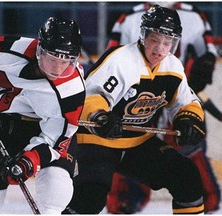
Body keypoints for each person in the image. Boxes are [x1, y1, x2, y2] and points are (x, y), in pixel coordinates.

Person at [63, 5, 206, 214]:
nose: (159, 49)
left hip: (136, 141)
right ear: (143, 35)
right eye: (154, 40)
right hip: (97, 139)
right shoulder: (121, 60)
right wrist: (101, 117)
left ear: (175, 44)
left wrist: (189, 120)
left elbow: (184, 102)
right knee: (90, 198)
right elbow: (91, 97)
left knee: (187, 177)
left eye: (167, 43)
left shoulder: (173, 67)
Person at [0, 17, 86, 214]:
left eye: (66, 61)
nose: (57, 68)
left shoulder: (72, 90)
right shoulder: (9, 50)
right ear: (39, 50)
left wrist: (28, 162)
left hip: (44, 130)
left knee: (56, 191)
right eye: (53, 58)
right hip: (1, 124)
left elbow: (56, 142)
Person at [106, 2, 222, 213]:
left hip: (178, 93)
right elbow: (111, 57)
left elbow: (207, 56)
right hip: (137, 97)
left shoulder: (194, 16)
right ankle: (123, 201)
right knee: (128, 146)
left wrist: (196, 77)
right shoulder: (129, 17)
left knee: (190, 144)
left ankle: (202, 200)